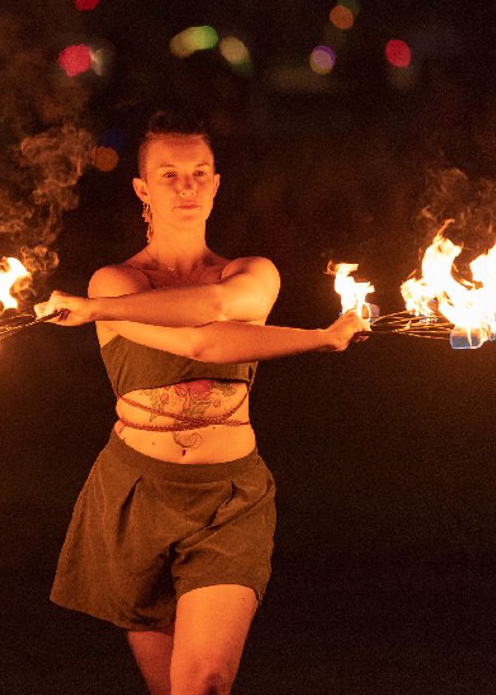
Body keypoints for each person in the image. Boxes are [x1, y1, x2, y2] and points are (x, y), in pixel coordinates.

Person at [35, 112, 368, 695]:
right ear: (142, 189)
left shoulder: (252, 274)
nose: (185, 187)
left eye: (198, 174)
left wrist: (324, 336)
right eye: (168, 175)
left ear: (216, 184)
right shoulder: (113, 285)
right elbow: (199, 341)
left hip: (229, 498)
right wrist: (318, 336)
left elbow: (212, 323)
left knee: (206, 682)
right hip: (136, 494)